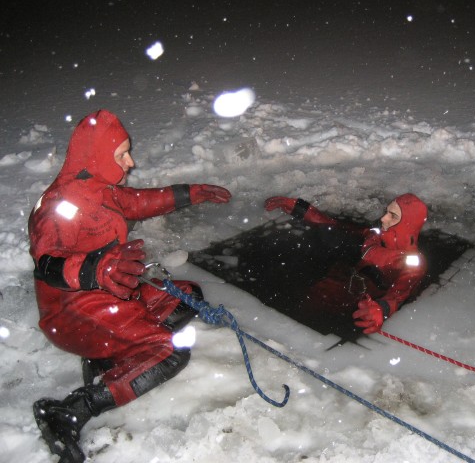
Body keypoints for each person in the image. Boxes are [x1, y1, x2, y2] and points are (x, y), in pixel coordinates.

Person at [28, 109, 232, 462]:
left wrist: (189, 193)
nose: (131, 162)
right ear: (95, 157)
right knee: (168, 353)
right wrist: (95, 269)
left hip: (112, 292)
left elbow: (136, 202)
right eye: (121, 154)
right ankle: (71, 410)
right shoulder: (59, 208)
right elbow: (48, 265)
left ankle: (113, 356)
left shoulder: (99, 188)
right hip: (73, 311)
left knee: (188, 297)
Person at [264, 193, 428, 334]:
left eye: (393, 216)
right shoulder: (375, 236)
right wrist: (300, 208)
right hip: (341, 287)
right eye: (387, 212)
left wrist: (382, 309)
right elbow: (335, 227)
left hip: (358, 306)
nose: (384, 218)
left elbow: (400, 293)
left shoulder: (412, 263)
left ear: (408, 224)